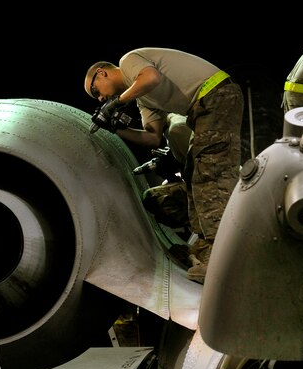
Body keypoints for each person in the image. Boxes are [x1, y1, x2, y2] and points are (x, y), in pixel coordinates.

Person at [84, 48, 243, 283]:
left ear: (102, 73)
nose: (100, 99)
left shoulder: (129, 61)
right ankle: (205, 248)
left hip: (215, 95)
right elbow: (152, 137)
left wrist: (116, 103)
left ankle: (221, 259)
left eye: (95, 91)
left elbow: (151, 78)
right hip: (202, 109)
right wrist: (117, 129)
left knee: (208, 176)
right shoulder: (143, 97)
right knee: (192, 174)